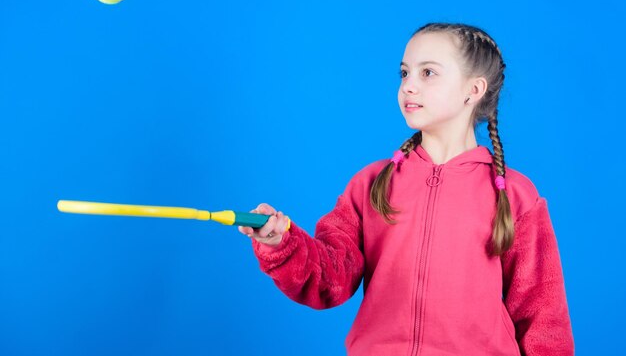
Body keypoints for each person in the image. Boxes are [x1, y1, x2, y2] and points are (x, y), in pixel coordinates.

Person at [238, 22, 574, 355]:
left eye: (428, 73)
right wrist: (282, 242)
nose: (408, 86)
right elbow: (330, 280)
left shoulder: (514, 195)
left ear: (473, 90)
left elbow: (544, 317)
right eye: (404, 73)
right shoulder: (371, 184)